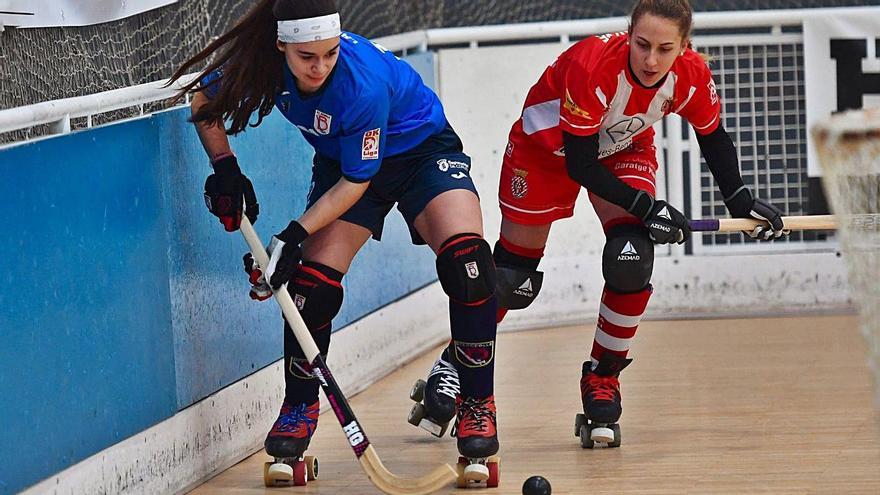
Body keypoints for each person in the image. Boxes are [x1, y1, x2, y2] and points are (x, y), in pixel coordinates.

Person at [421, 0, 789, 448]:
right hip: (546, 153)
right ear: (628, 34)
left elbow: (713, 136)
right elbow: (581, 164)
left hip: (623, 148)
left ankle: (603, 375)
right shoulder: (592, 66)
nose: (651, 60)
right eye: (642, 45)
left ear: (684, 47)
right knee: (511, 280)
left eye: (665, 49)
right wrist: (649, 207)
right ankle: (455, 365)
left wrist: (740, 200)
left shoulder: (690, 74)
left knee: (630, 257)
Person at [169, 0, 500, 479]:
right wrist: (225, 168)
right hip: (345, 164)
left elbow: (357, 184)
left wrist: (295, 233)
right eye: (307, 58)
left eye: (329, 53)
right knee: (310, 288)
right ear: (281, 44)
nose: (321, 67)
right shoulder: (262, 60)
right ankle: (298, 410)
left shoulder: (360, 82)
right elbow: (203, 100)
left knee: (468, 263)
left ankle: (477, 403)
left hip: (419, 152)